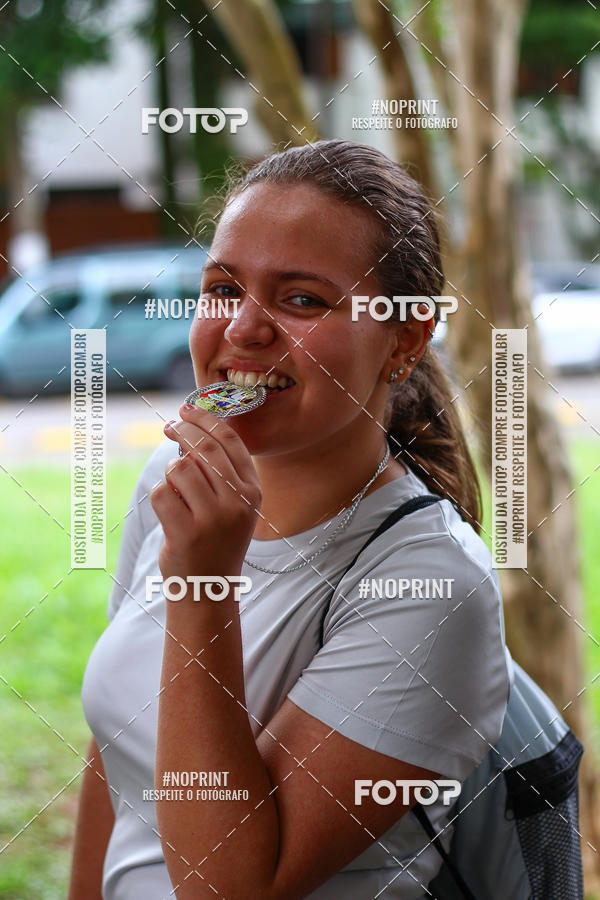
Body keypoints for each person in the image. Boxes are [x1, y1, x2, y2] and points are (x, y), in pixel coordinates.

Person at [69, 139, 512, 899]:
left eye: (302, 300)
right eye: (222, 289)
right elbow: (112, 754)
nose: (243, 330)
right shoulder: (175, 480)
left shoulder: (433, 586)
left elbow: (229, 886)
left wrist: (203, 585)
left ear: (405, 340)